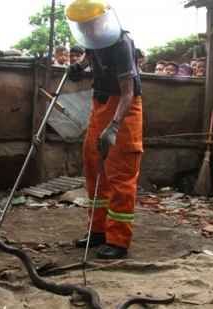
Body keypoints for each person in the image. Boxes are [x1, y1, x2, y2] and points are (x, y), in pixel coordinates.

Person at [65, 0, 142, 259]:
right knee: (93, 165)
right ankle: (98, 230)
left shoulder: (121, 44)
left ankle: (118, 240)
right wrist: (80, 66)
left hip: (123, 107)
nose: (86, 31)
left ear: (101, 21)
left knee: (120, 174)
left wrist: (115, 126)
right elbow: (90, 53)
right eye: (82, 27)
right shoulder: (91, 38)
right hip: (99, 103)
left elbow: (128, 93)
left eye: (90, 26)